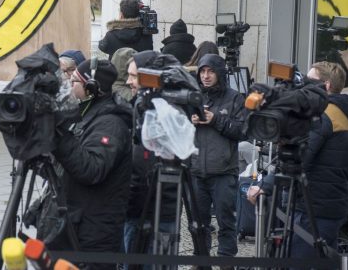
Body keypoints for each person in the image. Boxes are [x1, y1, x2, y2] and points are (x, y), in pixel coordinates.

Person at [247, 61, 348, 259]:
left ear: (326, 86)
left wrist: (265, 185)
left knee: (298, 262)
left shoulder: (324, 116)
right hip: (332, 204)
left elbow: (299, 158)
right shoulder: (342, 112)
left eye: (310, 80)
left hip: (312, 207)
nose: (304, 86)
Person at [50, 59, 131, 269]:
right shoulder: (87, 115)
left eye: (74, 81)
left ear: (91, 88)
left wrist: (59, 136)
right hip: (78, 223)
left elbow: (92, 169)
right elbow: (67, 164)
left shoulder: (110, 124)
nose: (69, 85)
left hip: (94, 232)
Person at [123, 51, 178, 260]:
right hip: (139, 207)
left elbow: (146, 162)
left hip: (158, 207)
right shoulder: (140, 104)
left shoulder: (164, 111)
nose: (128, 81)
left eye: (133, 76)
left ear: (150, 77)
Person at [190, 53, 246, 258]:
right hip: (196, 171)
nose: (206, 76)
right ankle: (200, 261)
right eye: (202, 71)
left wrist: (215, 120)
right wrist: (189, 121)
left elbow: (243, 131)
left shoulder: (235, 98)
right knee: (198, 224)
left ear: (220, 73)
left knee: (226, 223)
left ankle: (226, 262)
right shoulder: (192, 96)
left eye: (211, 71)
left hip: (224, 172)